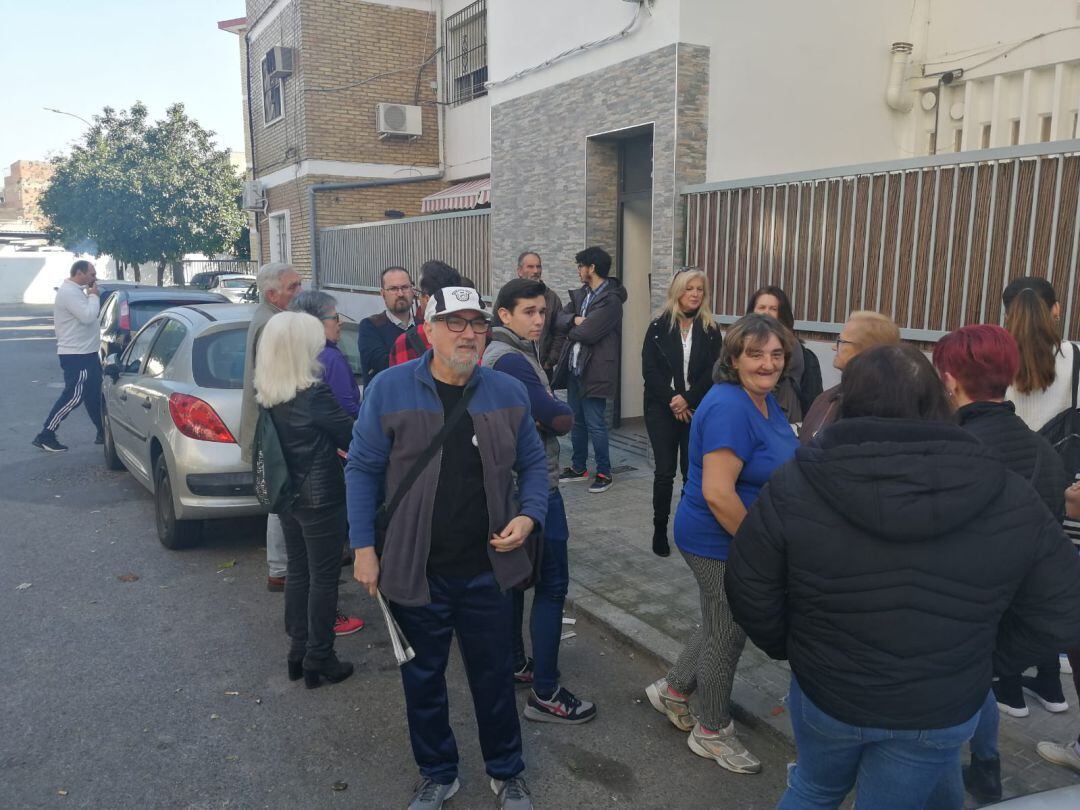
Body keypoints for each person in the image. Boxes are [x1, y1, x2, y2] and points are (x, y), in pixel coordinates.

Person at [725, 344, 1080, 810]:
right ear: (938, 399)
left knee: (813, 789)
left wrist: (794, 646)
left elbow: (749, 585)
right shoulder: (1006, 489)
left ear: (845, 403)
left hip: (829, 689)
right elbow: (1062, 603)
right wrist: (984, 661)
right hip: (937, 705)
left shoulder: (797, 482)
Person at [346, 286, 547, 810]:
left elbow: (535, 466)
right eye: (453, 323)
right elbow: (362, 470)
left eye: (476, 323)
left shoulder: (507, 390)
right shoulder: (389, 390)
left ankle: (507, 772)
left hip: (489, 569)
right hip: (415, 570)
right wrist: (364, 549)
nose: (467, 333)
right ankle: (439, 773)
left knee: (495, 679)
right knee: (422, 680)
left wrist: (529, 516)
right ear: (427, 330)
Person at [644, 313, 798, 774]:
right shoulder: (732, 405)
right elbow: (717, 492)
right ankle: (710, 730)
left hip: (736, 536)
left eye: (776, 354)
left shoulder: (764, 401)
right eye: (755, 354)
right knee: (728, 632)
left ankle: (673, 690)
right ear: (733, 358)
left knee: (717, 622)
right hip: (717, 539)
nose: (767, 363)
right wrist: (763, 549)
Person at [931, 324, 1068, 804]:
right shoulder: (1042, 452)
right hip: (1007, 611)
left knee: (940, 722)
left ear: (949, 380)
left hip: (952, 613)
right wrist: (1005, 656)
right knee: (981, 684)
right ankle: (987, 767)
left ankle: (948, 785)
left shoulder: (946, 451)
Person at [482, 277, 597, 725]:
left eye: (542, 311)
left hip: (506, 485)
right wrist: (552, 409)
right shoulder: (508, 359)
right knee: (551, 587)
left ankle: (515, 663)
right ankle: (546, 692)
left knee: (512, 582)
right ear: (504, 315)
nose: (538, 319)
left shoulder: (508, 352)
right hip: (533, 487)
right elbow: (561, 418)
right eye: (528, 311)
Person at [254, 312, 357, 689]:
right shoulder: (314, 394)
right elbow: (351, 437)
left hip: (288, 496)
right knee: (325, 578)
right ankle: (320, 657)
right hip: (321, 497)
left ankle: (298, 652)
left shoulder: (270, 392)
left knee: (299, 571)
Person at [998, 276, 1075, 717]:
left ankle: (1008, 687)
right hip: (1058, 480)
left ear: (1008, 311)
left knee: (1010, 582)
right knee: (1047, 581)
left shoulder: (999, 356)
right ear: (1057, 309)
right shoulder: (1076, 355)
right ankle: (1051, 685)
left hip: (1011, 476)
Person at [289, 290, 365, 638]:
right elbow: (344, 416)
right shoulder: (328, 361)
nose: (340, 324)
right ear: (316, 324)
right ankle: (320, 647)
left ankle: (298, 634)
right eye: (335, 318)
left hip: (292, 485)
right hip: (322, 480)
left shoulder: (288, 365)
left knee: (299, 566)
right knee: (323, 569)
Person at [641, 269, 723, 557]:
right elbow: (650, 373)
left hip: (696, 407)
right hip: (661, 409)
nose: (695, 294)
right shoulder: (657, 327)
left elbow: (714, 372)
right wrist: (673, 400)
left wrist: (687, 399)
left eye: (700, 289)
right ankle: (660, 529)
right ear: (678, 291)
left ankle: (691, 529)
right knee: (665, 472)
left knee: (692, 474)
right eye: (690, 288)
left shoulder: (710, 329)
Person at [239, 262, 303, 592]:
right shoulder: (273, 324)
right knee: (283, 498)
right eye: (293, 288)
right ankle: (281, 570)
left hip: (271, 424)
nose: (299, 292)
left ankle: (279, 568)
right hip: (276, 427)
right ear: (271, 294)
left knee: (281, 497)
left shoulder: (269, 316)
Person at [553, 246, 626, 494]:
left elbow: (589, 332)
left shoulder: (612, 300)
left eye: (580, 266)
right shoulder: (581, 294)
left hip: (596, 370)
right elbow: (558, 320)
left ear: (591, 268)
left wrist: (572, 328)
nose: (578, 270)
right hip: (575, 368)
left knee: (596, 423)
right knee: (577, 422)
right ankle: (578, 467)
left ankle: (604, 472)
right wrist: (574, 320)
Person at [33, 260, 104, 452]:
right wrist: (94, 297)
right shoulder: (69, 293)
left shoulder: (75, 291)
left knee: (93, 395)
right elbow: (88, 316)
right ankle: (46, 434)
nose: (93, 278)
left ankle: (103, 432)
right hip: (77, 355)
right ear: (80, 273)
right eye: (91, 274)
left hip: (87, 353)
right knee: (74, 395)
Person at [799, 310, 900, 445]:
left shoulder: (890, 408)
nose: (834, 347)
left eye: (841, 341)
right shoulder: (827, 398)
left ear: (867, 350)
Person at [747, 286, 822, 423]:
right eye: (761, 307)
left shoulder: (791, 347)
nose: (766, 313)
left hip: (784, 418)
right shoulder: (741, 342)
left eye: (773, 309)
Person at [389, 260, 461, 367]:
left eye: (419, 293)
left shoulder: (404, 342)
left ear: (427, 299)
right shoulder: (475, 333)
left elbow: (397, 381)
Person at [357, 266, 416, 385]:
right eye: (393, 289)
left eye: (405, 287)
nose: (400, 294)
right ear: (382, 293)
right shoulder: (370, 327)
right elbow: (385, 365)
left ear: (412, 290)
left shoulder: (424, 326)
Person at [516, 251, 565, 379]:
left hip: (542, 369)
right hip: (515, 366)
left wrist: (549, 362)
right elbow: (498, 329)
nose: (536, 271)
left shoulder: (552, 298)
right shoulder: (509, 297)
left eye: (538, 266)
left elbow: (560, 332)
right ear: (519, 271)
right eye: (530, 267)